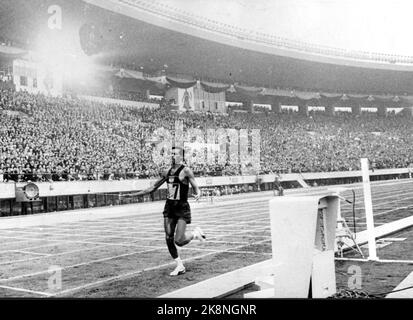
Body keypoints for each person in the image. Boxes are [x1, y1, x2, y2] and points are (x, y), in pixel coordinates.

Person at [129, 146, 205, 276]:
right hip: (169, 207)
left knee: (179, 241)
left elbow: (196, 187)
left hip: (181, 208)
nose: (172, 156)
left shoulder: (186, 171)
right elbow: (152, 188)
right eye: (171, 154)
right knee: (168, 237)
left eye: (175, 154)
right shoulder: (167, 172)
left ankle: (194, 234)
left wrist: (198, 193)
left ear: (181, 156)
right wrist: (134, 195)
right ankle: (179, 265)